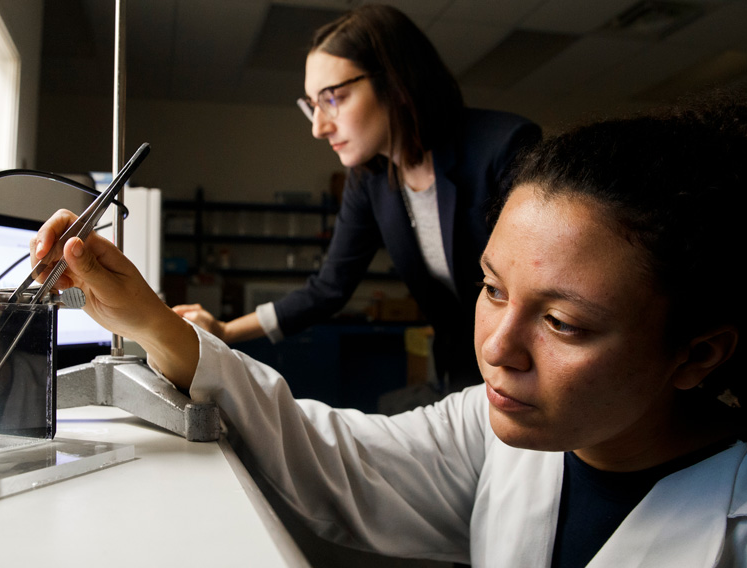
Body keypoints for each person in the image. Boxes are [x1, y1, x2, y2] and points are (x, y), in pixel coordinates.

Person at [32, 91, 747, 566]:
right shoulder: (497, 434)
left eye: (560, 321)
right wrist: (155, 324)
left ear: (698, 354)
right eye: (491, 289)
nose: (496, 347)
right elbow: (332, 456)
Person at [172, 5, 540, 391]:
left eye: (334, 98)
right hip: (463, 370)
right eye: (313, 105)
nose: (318, 127)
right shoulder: (370, 180)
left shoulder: (504, 147)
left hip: (526, 364)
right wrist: (225, 330)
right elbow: (329, 287)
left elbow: (536, 285)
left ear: (396, 83)